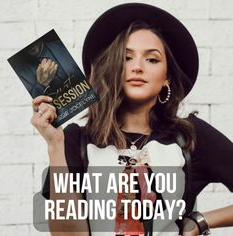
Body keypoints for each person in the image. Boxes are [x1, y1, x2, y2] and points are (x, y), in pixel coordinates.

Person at [30, 3, 233, 236]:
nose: (137, 67)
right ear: (112, 69)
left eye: (152, 60)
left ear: (167, 77)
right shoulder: (76, 139)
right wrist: (55, 146)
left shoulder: (189, 137)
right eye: (126, 58)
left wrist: (201, 221)